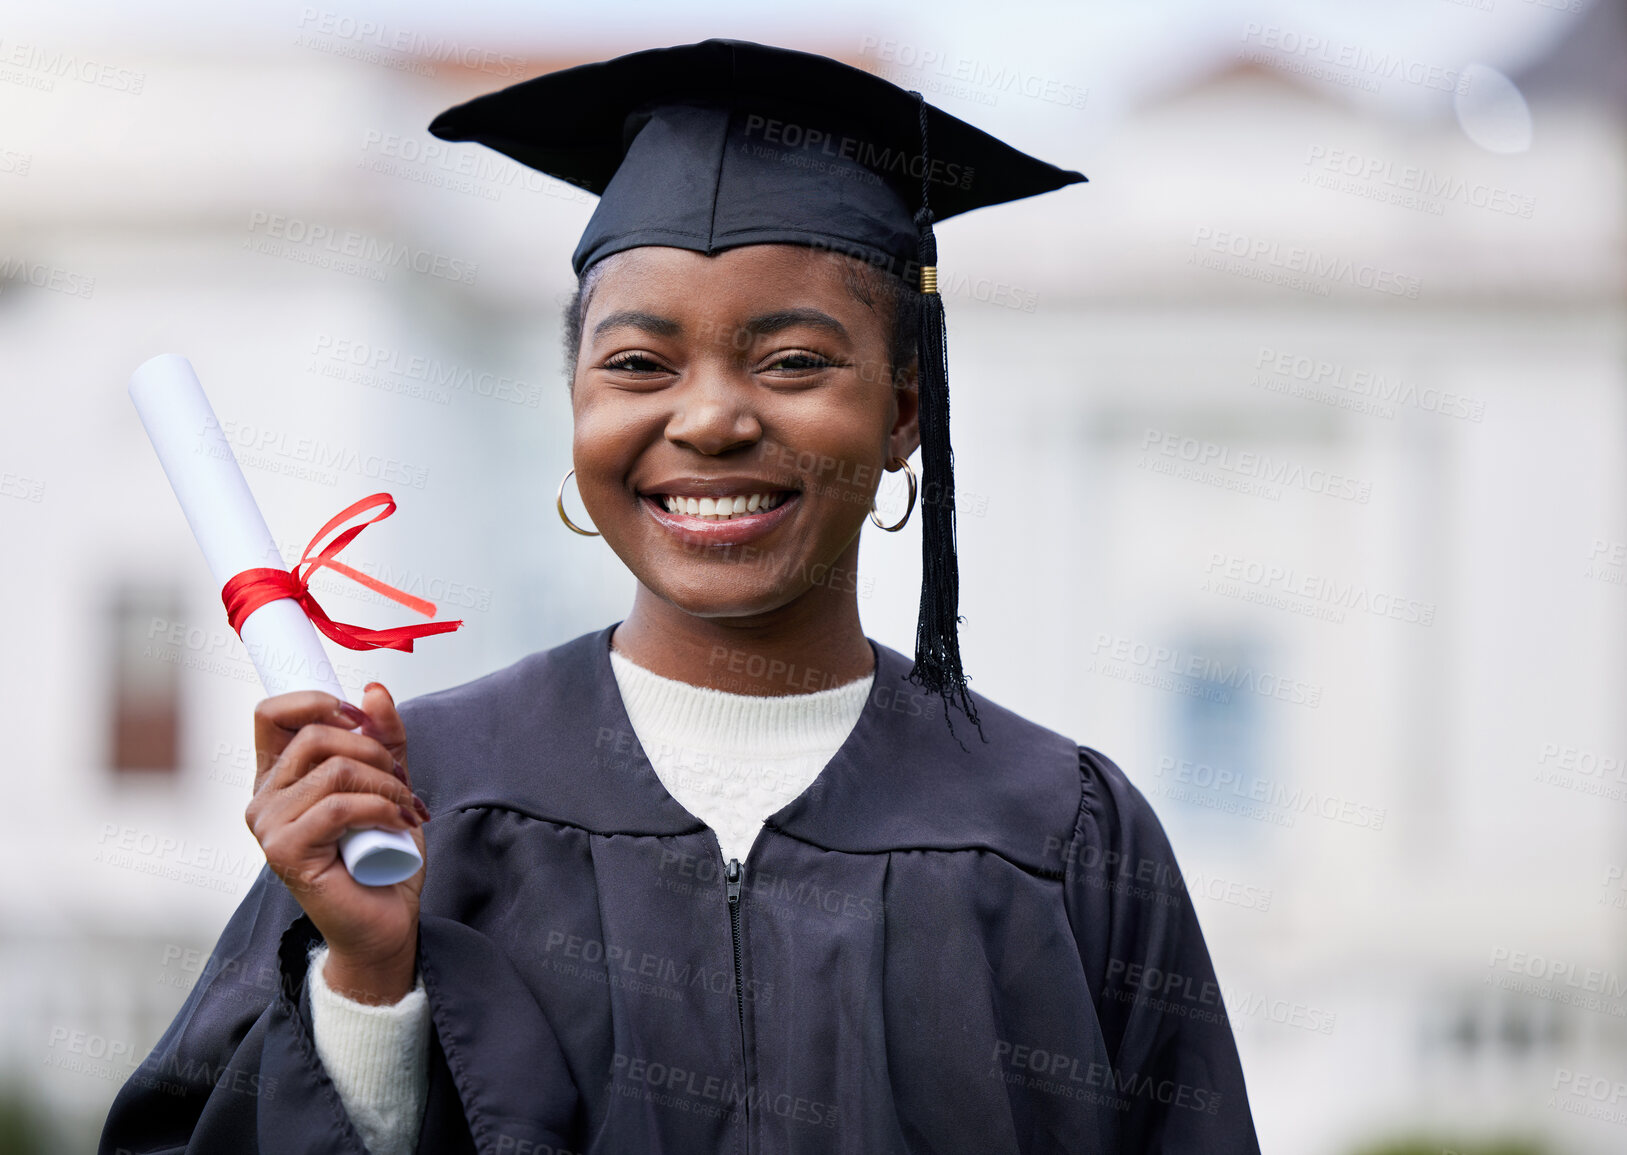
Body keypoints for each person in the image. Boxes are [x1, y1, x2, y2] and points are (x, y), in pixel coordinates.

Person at [102, 39, 1261, 1154]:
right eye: (639, 365)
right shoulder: (409, 806)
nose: (708, 419)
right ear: (574, 405)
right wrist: (364, 987)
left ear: (905, 409)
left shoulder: (1062, 835)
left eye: (795, 360)